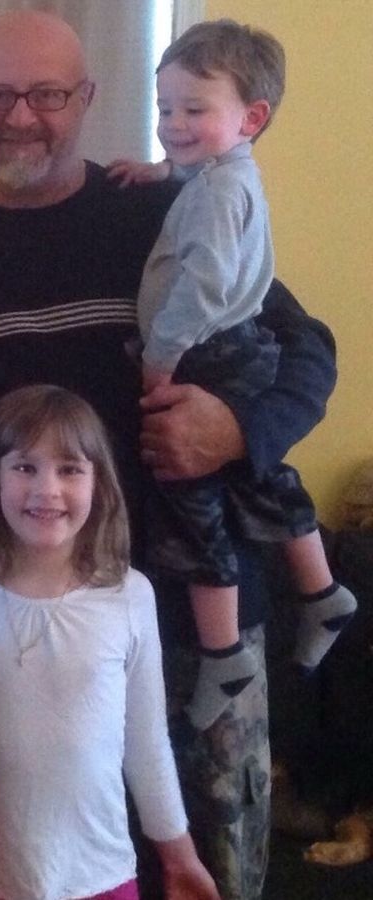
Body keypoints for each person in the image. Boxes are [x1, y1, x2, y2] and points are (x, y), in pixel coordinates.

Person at [0, 11, 336, 898]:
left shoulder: (170, 209)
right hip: (36, 649)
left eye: (47, 94)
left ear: (87, 98)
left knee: (213, 870)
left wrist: (238, 430)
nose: (20, 116)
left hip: (198, 618)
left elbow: (306, 350)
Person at [107, 20, 356, 731]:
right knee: (263, 479)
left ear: (251, 118)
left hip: (208, 353)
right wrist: (164, 170)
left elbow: (211, 287)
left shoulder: (218, 194)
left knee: (191, 495)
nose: (173, 124)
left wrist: (161, 355)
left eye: (193, 109)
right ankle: (321, 592)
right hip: (232, 349)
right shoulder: (218, 176)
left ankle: (223, 652)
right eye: (165, 109)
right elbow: (200, 184)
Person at [0, 384, 218, 900]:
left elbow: (147, 742)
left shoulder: (130, 596)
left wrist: (179, 856)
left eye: (69, 469)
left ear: (99, 484)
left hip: (100, 874)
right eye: (25, 467)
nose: (47, 489)